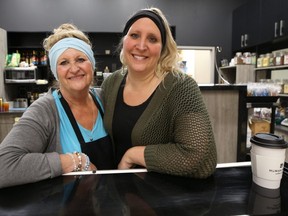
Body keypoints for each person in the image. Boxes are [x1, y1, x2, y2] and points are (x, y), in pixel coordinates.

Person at [101, 7, 217, 178]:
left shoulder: (181, 87)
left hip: (161, 197)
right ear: (124, 40)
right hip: (119, 194)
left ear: (162, 48)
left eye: (152, 39)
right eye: (134, 35)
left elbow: (196, 155)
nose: (141, 46)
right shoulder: (111, 83)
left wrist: (133, 155)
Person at [0, 23, 114, 188]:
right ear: (55, 71)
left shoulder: (105, 98)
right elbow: (3, 166)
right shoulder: (44, 110)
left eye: (81, 59)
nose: (74, 68)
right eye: (64, 62)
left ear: (92, 64)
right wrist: (75, 161)